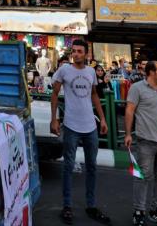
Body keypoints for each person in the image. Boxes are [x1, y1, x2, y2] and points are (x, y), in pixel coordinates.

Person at [50, 41, 111, 225]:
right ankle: (67, 206)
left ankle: (91, 205)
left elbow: (94, 95)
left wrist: (103, 119)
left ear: (86, 54)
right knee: (68, 166)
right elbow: (54, 94)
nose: (75, 54)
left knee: (92, 166)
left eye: (79, 52)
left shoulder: (91, 72)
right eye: (73, 51)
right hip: (71, 126)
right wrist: (54, 118)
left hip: (90, 126)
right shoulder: (64, 70)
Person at [124, 61, 157, 226]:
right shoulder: (137, 88)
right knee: (142, 177)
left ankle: (156, 210)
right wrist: (127, 134)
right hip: (146, 141)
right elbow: (129, 110)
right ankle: (139, 211)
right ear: (151, 73)